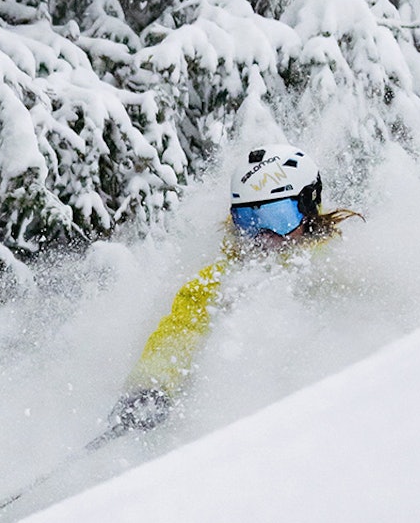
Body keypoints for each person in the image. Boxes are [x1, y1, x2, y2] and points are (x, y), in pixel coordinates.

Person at [108, 143, 361, 433]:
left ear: (308, 206)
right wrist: (152, 384)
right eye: (249, 221)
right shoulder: (227, 277)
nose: (264, 236)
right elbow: (183, 327)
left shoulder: (341, 259)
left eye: (278, 218)